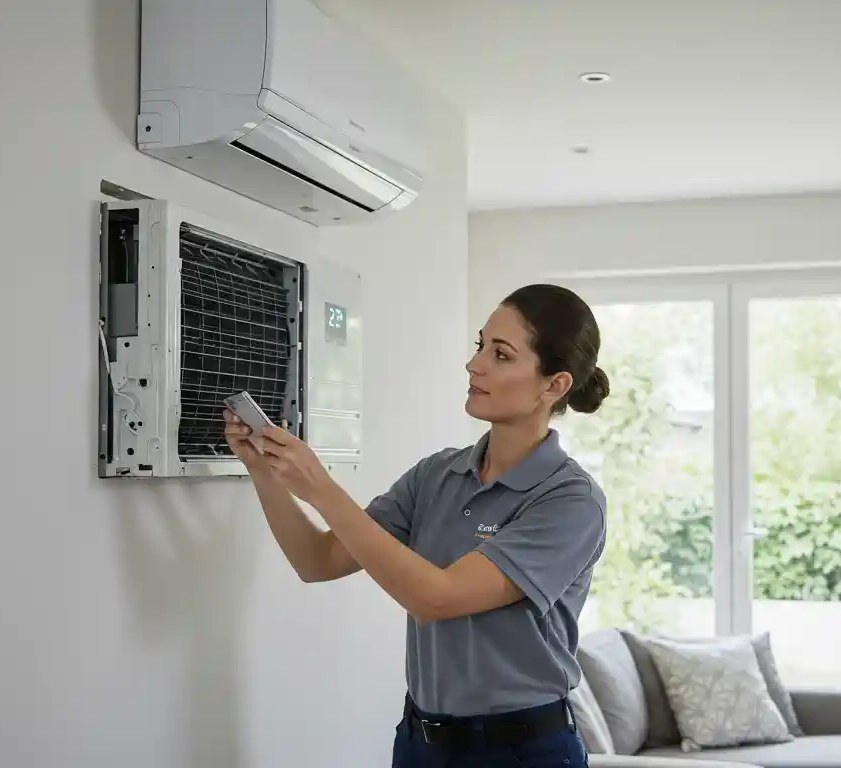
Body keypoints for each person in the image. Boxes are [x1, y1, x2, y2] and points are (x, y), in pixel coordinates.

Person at [223, 283, 610, 767]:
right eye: (480, 345)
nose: (475, 364)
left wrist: (321, 488)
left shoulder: (570, 501)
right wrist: (262, 469)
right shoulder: (436, 475)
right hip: (420, 742)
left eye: (502, 354)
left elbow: (437, 598)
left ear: (554, 385)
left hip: (522, 751)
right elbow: (317, 560)